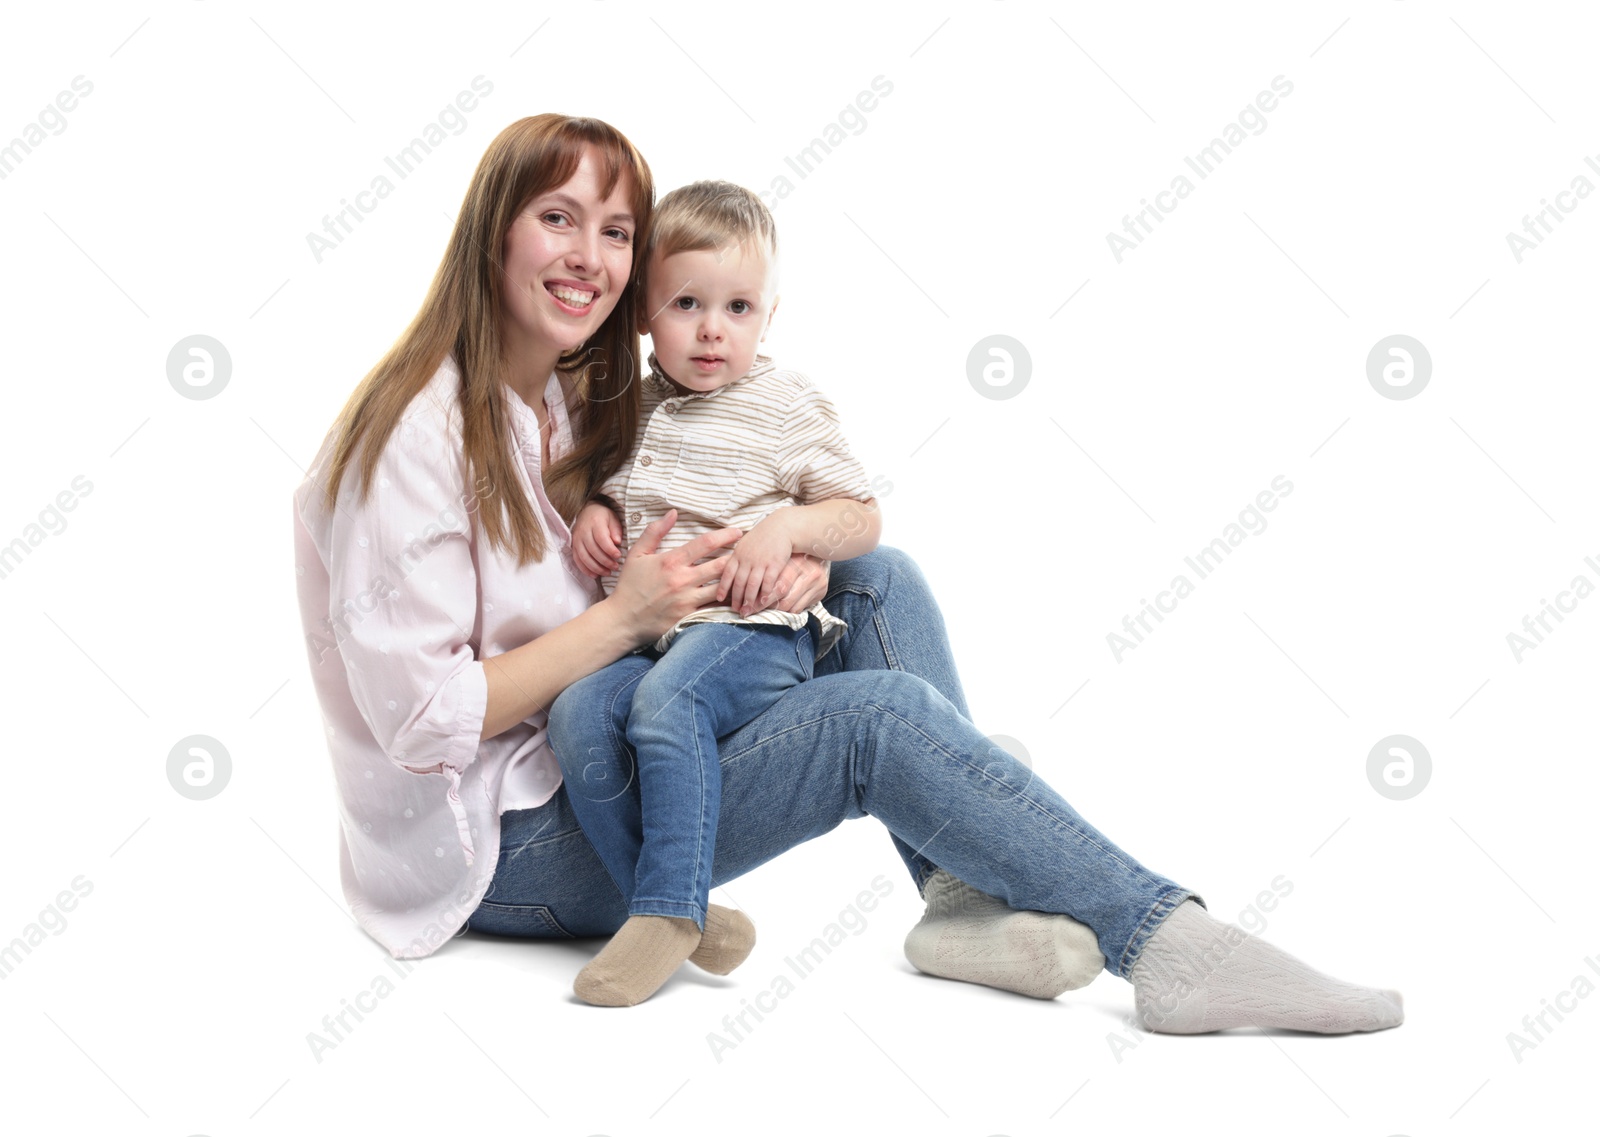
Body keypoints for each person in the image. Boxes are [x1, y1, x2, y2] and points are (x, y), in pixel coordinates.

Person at [293, 113, 1404, 1034]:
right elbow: (425, 721)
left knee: (877, 570)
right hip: (500, 847)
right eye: (556, 218)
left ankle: (961, 898)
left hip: (607, 740)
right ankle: (1165, 943)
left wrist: (772, 551)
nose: (588, 253)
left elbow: (675, 538)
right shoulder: (411, 441)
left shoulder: (574, 401)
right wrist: (630, 613)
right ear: (493, 231)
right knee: (879, 721)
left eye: (616, 230)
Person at [560, 179, 883, 1005]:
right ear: (643, 314)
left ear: (769, 315)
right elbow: (611, 483)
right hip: (652, 629)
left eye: (739, 307)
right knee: (578, 713)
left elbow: (862, 514)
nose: (712, 328)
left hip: (752, 626)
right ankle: (680, 906)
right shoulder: (625, 405)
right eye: (687, 303)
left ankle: (665, 916)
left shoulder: (782, 403)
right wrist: (599, 508)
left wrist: (790, 531)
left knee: (667, 704)